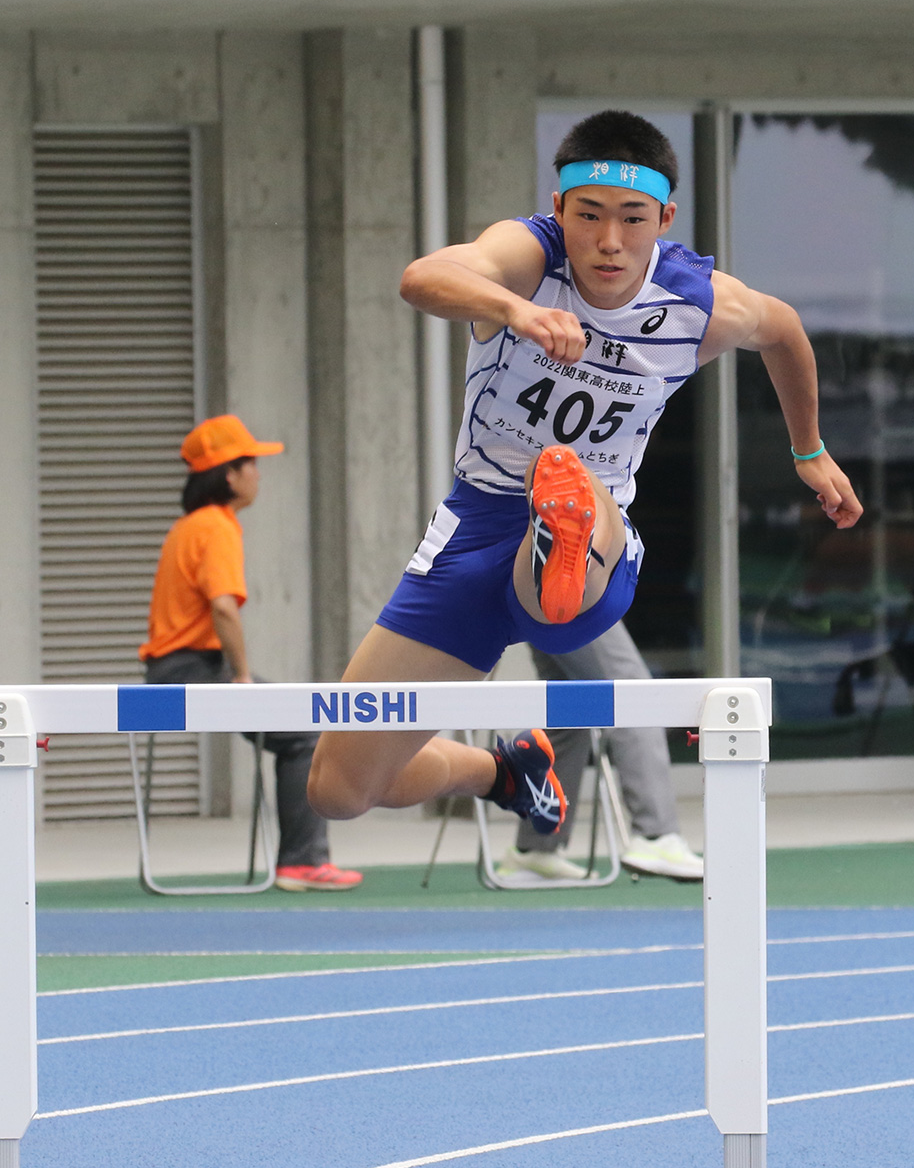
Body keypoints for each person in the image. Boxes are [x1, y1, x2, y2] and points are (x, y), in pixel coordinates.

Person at [306, 109, 862, 836]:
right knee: (338, 790)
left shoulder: (697, 302)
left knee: (563, 520)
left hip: (594, 536)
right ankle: (504, 772)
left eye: (632, 219)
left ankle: (560, 532)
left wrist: (808, 449)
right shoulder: (527, 257)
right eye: (589, 215)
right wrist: (515, 311)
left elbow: (783, 330)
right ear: (559, 207)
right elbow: (422, 278)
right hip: (472, 532)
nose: (609, 241)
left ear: (664, 217)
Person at [140, 414, 363, 892]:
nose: (258, 473)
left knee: (294, 724)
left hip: (167, 671)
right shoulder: (218, 527)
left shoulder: (188, 526)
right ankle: (301, 862)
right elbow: (223, 608)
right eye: (252, 464)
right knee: (304, 731)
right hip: (192, 674)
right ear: (229, 474)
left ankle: (299, 859)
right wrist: (241, 676)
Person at [497, 621, 703, 884]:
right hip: (566, 590)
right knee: (632, 692)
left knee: (571, 711)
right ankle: (656, 835)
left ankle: (536, 847)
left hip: (533, 594)